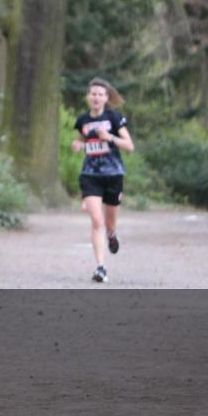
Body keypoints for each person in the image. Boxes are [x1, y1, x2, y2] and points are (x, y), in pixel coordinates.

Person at [71, 77, 134, 283]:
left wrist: (111, 138)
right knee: (97, 221)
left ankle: (113, 234)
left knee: (109, 223)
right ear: (88, 97)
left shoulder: (114, 118)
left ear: (106, 98)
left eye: (100, 94)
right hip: (90, 175)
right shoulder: (82, 121)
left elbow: (129, 145)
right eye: (93, 94)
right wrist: (78, 145)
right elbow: (81, 141)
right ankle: (100, 267)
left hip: (113, 174)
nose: (96, 98)